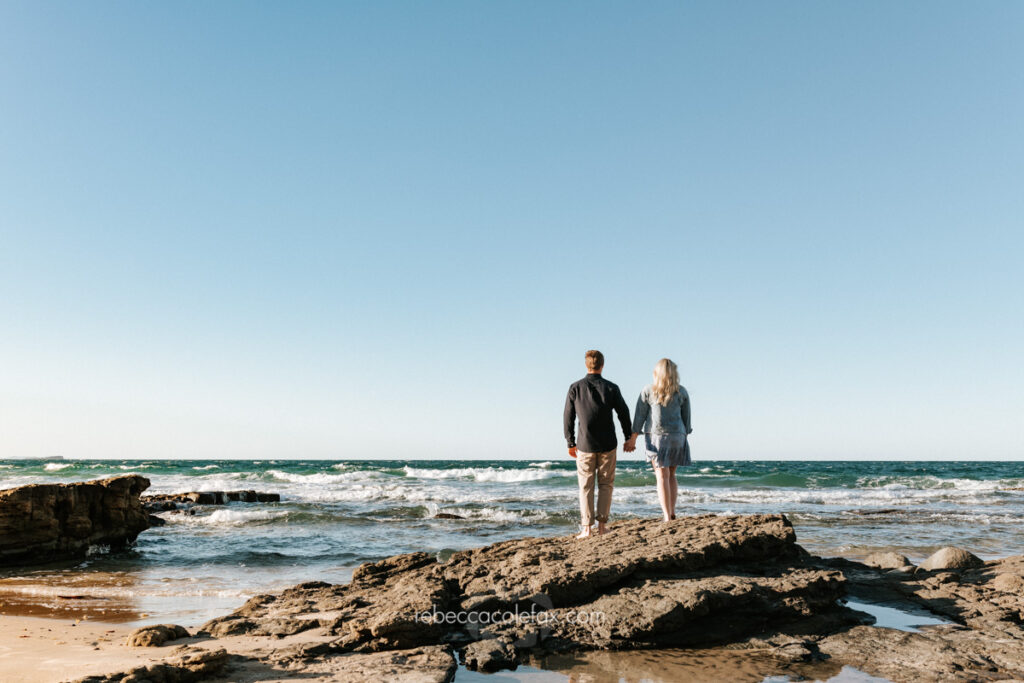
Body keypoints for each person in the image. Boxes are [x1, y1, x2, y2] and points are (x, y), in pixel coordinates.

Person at [563, 350, 634, 539]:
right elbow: (623, 413)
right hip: (608, 443)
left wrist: (570, 442)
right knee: (606, 485)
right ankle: (602, 527)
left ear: (586, 365)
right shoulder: (611, 387)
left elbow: (568, 416)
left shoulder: (575, 388)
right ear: (602, 365)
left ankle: (587, 529)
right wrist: (628, 436)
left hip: (584, 443)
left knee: (585, 486)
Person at [628, 358, 692, 522]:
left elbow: (640, 416)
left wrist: (633, 438)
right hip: (678, 436)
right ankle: (672, 511)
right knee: (671, 475)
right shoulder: (681, 391)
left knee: (661, 476)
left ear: (656, 373)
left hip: (657, 437)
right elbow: (686, 418)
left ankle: (666, 515)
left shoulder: (649, 390)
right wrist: (685, 433)